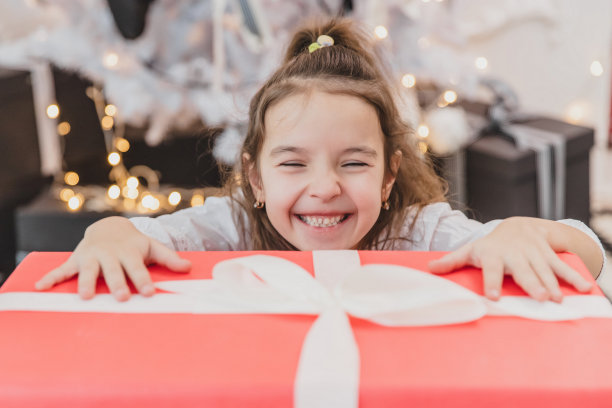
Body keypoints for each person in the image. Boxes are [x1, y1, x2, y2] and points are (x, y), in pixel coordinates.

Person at [35, 18, 605, 303]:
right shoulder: (233, 224)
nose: (324, 187)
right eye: (293, 164)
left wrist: (521, 232)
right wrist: (110, 232)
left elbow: (588, 251)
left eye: (354, 164)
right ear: (255, 177)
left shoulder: (419, 229)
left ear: (388, 177)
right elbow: (135, 234)